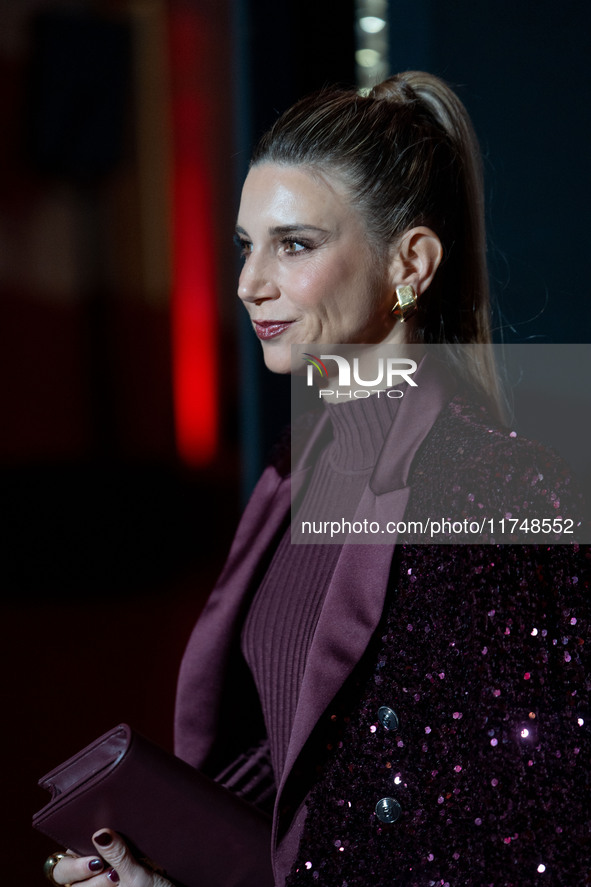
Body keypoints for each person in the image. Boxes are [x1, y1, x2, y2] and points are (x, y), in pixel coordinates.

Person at [45, 71, 589, 887]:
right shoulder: (299, 470)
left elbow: (517, 842)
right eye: (245, 245)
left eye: (293, 244)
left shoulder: (496, 494)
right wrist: (162, 860)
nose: (247, 283)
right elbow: (299, 768)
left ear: (411, 262)